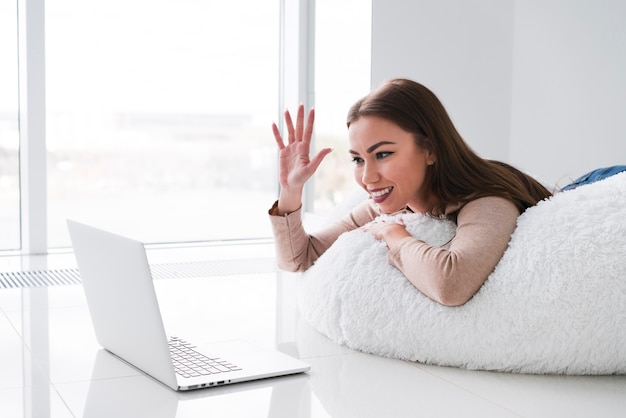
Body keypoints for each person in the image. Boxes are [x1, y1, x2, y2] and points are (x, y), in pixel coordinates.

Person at [269, 78, 552, 306]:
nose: (367, 177)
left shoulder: (486, 200)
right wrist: (291, 192)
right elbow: (300, 258)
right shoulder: (385, 204)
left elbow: (451, 285)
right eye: (357, 159)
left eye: (383, 154)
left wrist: (392, 234)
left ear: (429, 149)